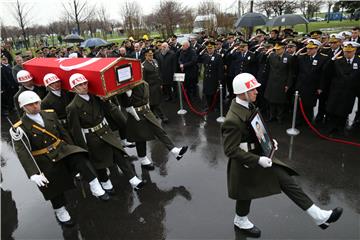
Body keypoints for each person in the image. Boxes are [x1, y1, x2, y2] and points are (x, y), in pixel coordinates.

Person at [221, 73, 342, 238]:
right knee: (245, 192)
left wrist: (269, 142)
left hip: (257, 155)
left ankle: (318, 216)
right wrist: (258, 159)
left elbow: (256, 129)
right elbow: (230, 150)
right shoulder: (232, 119)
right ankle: (241, 220)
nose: (256, 91)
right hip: (246, 161)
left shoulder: (247, 106)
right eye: (252, 89)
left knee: (284, 180)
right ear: (242, 92)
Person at [10, 91, 109, 226]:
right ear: (23, 108)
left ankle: (94, 184)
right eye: (30, 105)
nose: (35, 106)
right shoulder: (19, 128)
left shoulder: (50, 114)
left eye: (36, 103)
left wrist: (72, 147)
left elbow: (63, 132)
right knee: (51, 184)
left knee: (80, 158)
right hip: (44, 157)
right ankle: (60, 210)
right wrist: (33, 173)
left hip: (61, 148)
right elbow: (23, 152)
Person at [66, 73, 145, 193]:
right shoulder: (72, 107)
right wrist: (83, 148)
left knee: (118, 154)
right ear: (74, 89)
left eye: (85, 83)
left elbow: (109, 110)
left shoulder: (96, 96)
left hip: (105, 131)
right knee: (100, 162)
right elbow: (75, 130)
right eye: (79, 85)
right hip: (91, 136)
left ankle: (133, 179)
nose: (84, 86)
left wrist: (106, 100)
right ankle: (105, 182)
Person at [118, 81, 188, 170]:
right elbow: (124, 104)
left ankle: (174, 150)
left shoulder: (141, 81)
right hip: (135, 113)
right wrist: (127, 94)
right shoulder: (124, 84)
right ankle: (143, 159)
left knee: (159, 129)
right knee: (140, 138)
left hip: (146, 110)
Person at [324, 41, 360, 135]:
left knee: (344, 111)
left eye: (349, 51)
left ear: (354, 51)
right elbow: (326, 71)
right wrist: (332, 59)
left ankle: (341, 128)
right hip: (337, 90)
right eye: (345, 51)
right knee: (332, 110)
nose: (347, 53)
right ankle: (331, 128)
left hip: (349, 91)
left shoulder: (358, 61)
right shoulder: (338, 60)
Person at [264, 42, 294, 123]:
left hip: (282, 82)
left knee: (281, 101)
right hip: (272, 81)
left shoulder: (289, 57)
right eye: (276, 49)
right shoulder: (271, 56)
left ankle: (279, 117)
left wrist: (288, 84)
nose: (276, 51)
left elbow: (290, 72)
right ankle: (271, 116)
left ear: (283, 49)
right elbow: (267, 68)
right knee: (271, 100)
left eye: (278, 49)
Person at [142, 48, 168, 123]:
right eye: (149, 55)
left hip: (157, 86)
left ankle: (152, 116)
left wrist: (161, 84)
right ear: (146, 56)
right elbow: (144, 79)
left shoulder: (155, 61)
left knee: (153, 103)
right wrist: (146, 90)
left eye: (152, 55)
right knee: (156, 103)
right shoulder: (143, 66)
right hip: (151, 87)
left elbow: (159, 73)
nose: (151, 56)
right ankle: (163, 117)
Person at [198, 40, 224, 111]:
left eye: (211, 48)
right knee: (207, 93)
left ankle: (215, 106)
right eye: (208, 48)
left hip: (214, 78)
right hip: (206, 78)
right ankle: (209, 106)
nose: (209, 50)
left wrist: (220, 79)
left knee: (214, 93)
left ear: (214, 48)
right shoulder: (205, 56)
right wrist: (202, 51)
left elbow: (220, 69)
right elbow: (198, 59)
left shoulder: (218, 56)